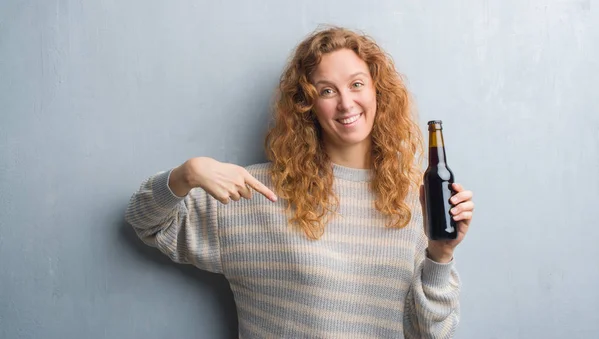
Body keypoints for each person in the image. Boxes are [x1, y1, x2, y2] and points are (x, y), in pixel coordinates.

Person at [125, 26, 474, 339]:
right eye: (326, 91)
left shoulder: (416, 199)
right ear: (307, 105)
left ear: (377, 91)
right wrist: (187, 174)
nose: (346, 103)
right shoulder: (256, 194)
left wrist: (441, 254)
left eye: (356, 84)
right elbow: (144, 220)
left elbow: (434, 334)